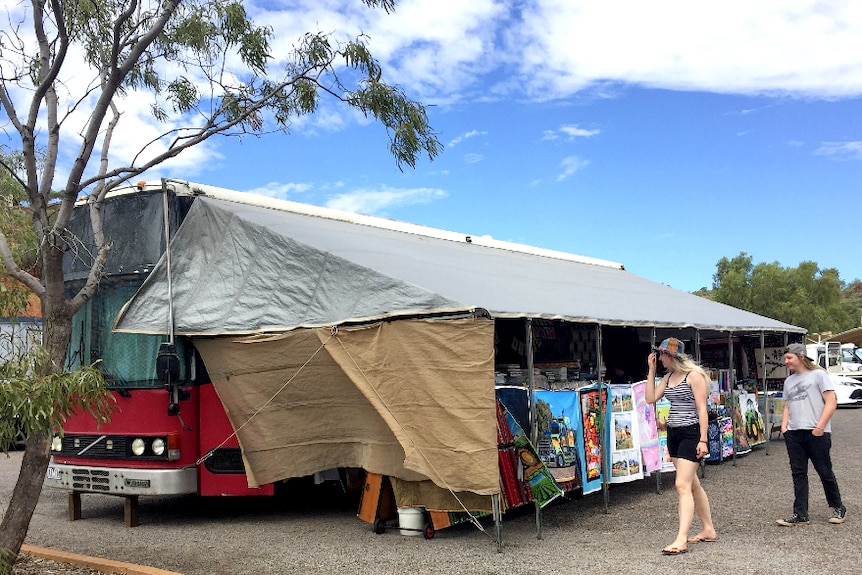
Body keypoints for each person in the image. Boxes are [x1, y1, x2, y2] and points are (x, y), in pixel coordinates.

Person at [646, 337, 717, 555]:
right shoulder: (667, 377)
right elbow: (650, 398)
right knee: (692, 484)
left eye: (662, 355)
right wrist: (651, 371)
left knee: (681, 485)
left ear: (672, 356)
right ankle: (708, 529)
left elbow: (702, 409)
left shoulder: (693, 376)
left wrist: (703, 439)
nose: (659, 358)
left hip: (691, 432)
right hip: (674, 432)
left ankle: (681, 539)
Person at [776, 342, 846, 526]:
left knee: (824, 471)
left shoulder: (819, 375)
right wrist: (785, 427)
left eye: (789, 358)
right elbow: (787, 405)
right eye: (785, 358)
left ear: (800, 356)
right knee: (798, 473)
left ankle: (838, 507)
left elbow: (831, 402)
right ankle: (800, 513)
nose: (786, 362)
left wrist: (820, 426)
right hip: (794, 432)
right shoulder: (789, 381)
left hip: (816, 432)